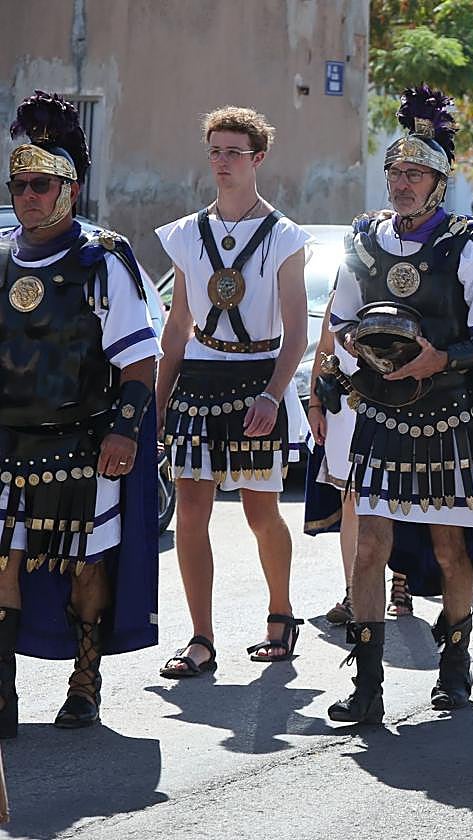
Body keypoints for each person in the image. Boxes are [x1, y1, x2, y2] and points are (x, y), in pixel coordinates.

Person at [325, 86, 473, 723]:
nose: (403, 183)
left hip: (447, 419)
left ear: (439, 181)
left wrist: (441, 359)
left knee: (449, 551)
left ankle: (454, 671)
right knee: (369, 546)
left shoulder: (468, 244)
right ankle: (367, 687)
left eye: (416, 173)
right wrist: (352, 345)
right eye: (396, 171)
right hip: (379, 415)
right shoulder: (363, 239)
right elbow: (342, 315)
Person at [0, 91, 160, 734]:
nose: (27, 195)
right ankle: (4, 693)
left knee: (83, 566)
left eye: (41, 184)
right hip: (8, 442)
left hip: (79, 445)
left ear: (69, 188)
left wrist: (124, 432)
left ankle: (85, 679)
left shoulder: (103, 260)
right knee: (3, 562)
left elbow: (138, 362)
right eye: (18, 183)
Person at [156, 107, 311, 677]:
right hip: (198, 381)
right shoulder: (184, 235)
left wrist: (273, 395)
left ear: (258, 159)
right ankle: (200, 638)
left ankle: (280, 614)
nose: (222, 162)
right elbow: (177, 327)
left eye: (234, 152)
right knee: (191, 512)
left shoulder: (286, 236)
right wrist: (154, 405)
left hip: (256, 382)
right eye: (215, 151)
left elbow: (296, 328)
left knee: (258, 511)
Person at [303, 303, 413, 624]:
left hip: (394, 408)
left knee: (397, 500)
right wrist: (314, 405)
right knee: (350, 501)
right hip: (345, 412)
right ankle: (353, 593)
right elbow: (325, 351)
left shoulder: (392, 291)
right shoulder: (341, 296)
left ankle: (401, 584)